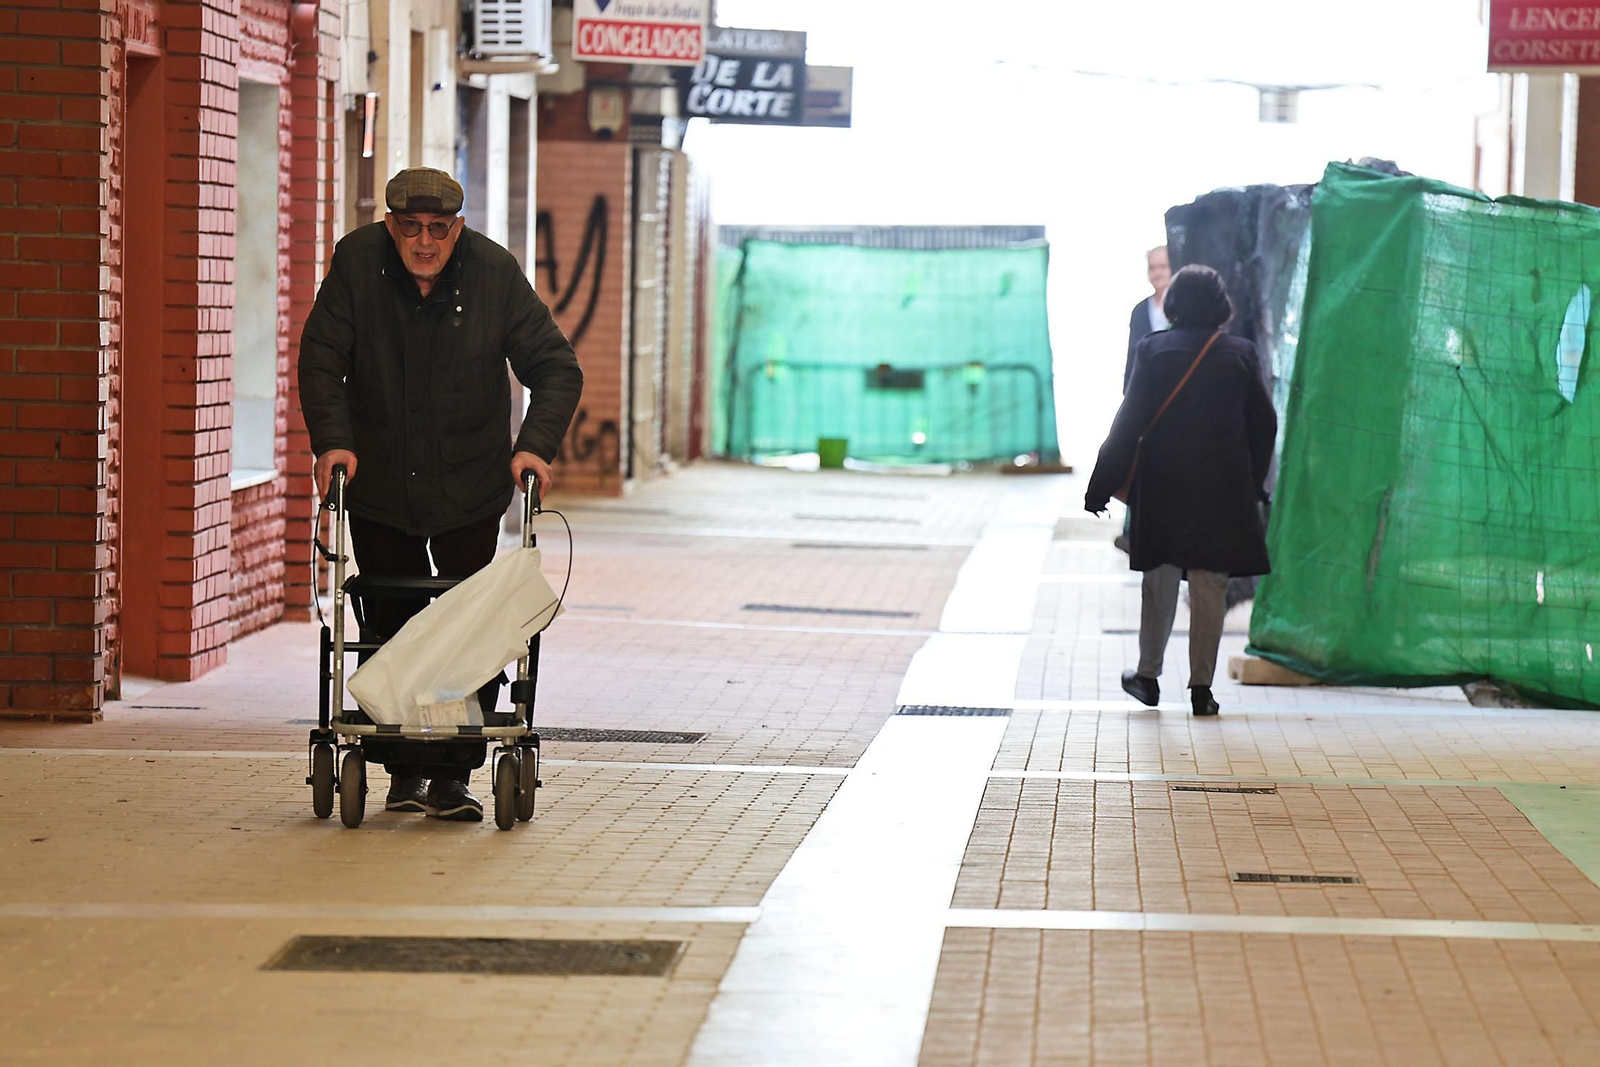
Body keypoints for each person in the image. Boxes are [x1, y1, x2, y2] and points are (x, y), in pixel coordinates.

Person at [299, 167, 583, 820]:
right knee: (389, 614)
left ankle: (452, 775)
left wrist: (534, 446)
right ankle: (403, 770)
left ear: (457, 228)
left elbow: (555, 366)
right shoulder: (356, 264)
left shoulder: (492, 273)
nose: (424, 241)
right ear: (390, 225)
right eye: (410, 228)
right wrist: (332, 442)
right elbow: (322, 358)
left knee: (465, 620)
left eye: (438, 229)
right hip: (378, 475)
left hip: (468, 478)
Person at [1085, 265, 1275, 717]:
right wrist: (1252, 483)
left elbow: (1128, 422)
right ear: (1219, 304)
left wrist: (1100, 486)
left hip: (1164, 486)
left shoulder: (1155, 350)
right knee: (1210, 584)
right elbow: (1264, 424)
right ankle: (1201, 690)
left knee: (1160, 579)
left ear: (1174, 304)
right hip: (1222, 489)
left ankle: (1148, 677)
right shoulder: (1240, 353)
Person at [1124, 246, 1171, 393]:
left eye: (1163, 267)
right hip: (1148, 389)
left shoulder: (1186, 308)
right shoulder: (1140, 311)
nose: (1157, 273)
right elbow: (1133, 353)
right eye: (1152, 268)